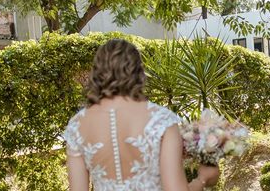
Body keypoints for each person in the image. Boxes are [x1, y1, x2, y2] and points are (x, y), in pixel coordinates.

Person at [62, 38, 219, 190]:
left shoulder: (77, 125)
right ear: (138, 72)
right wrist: (202, 179)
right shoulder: (161, 120)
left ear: (97, 73)